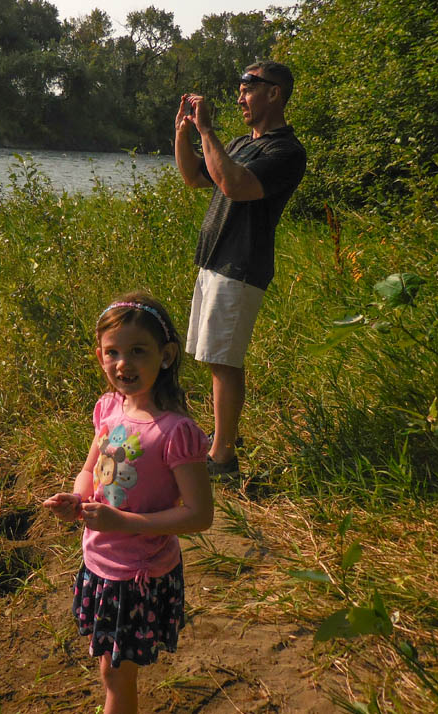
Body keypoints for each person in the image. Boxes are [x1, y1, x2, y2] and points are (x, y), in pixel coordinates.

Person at [43, 293, 214, 714]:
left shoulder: (175, 431)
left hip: (138, 576)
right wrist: (77, 498)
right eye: (113, 352)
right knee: (111, 670)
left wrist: (121, 522)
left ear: (166, 355)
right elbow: (90, 470)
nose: (124, 363)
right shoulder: (108, 408)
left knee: (116, 677)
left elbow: (199, 515)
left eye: (138, 351)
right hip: (100, 562)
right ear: (99, 356)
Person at [174, 61, 307, 477]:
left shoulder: (286, 152)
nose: (240, 99)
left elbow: (235, 185)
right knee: (214, 357)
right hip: (214, 260)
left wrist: (207, 131)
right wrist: (184, 132)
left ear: (274, 93)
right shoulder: (237, 144)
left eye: (247, 91)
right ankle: (223, 438)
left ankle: (223, 458)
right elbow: (195, 178)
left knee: (224, 361)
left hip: (242, 264)